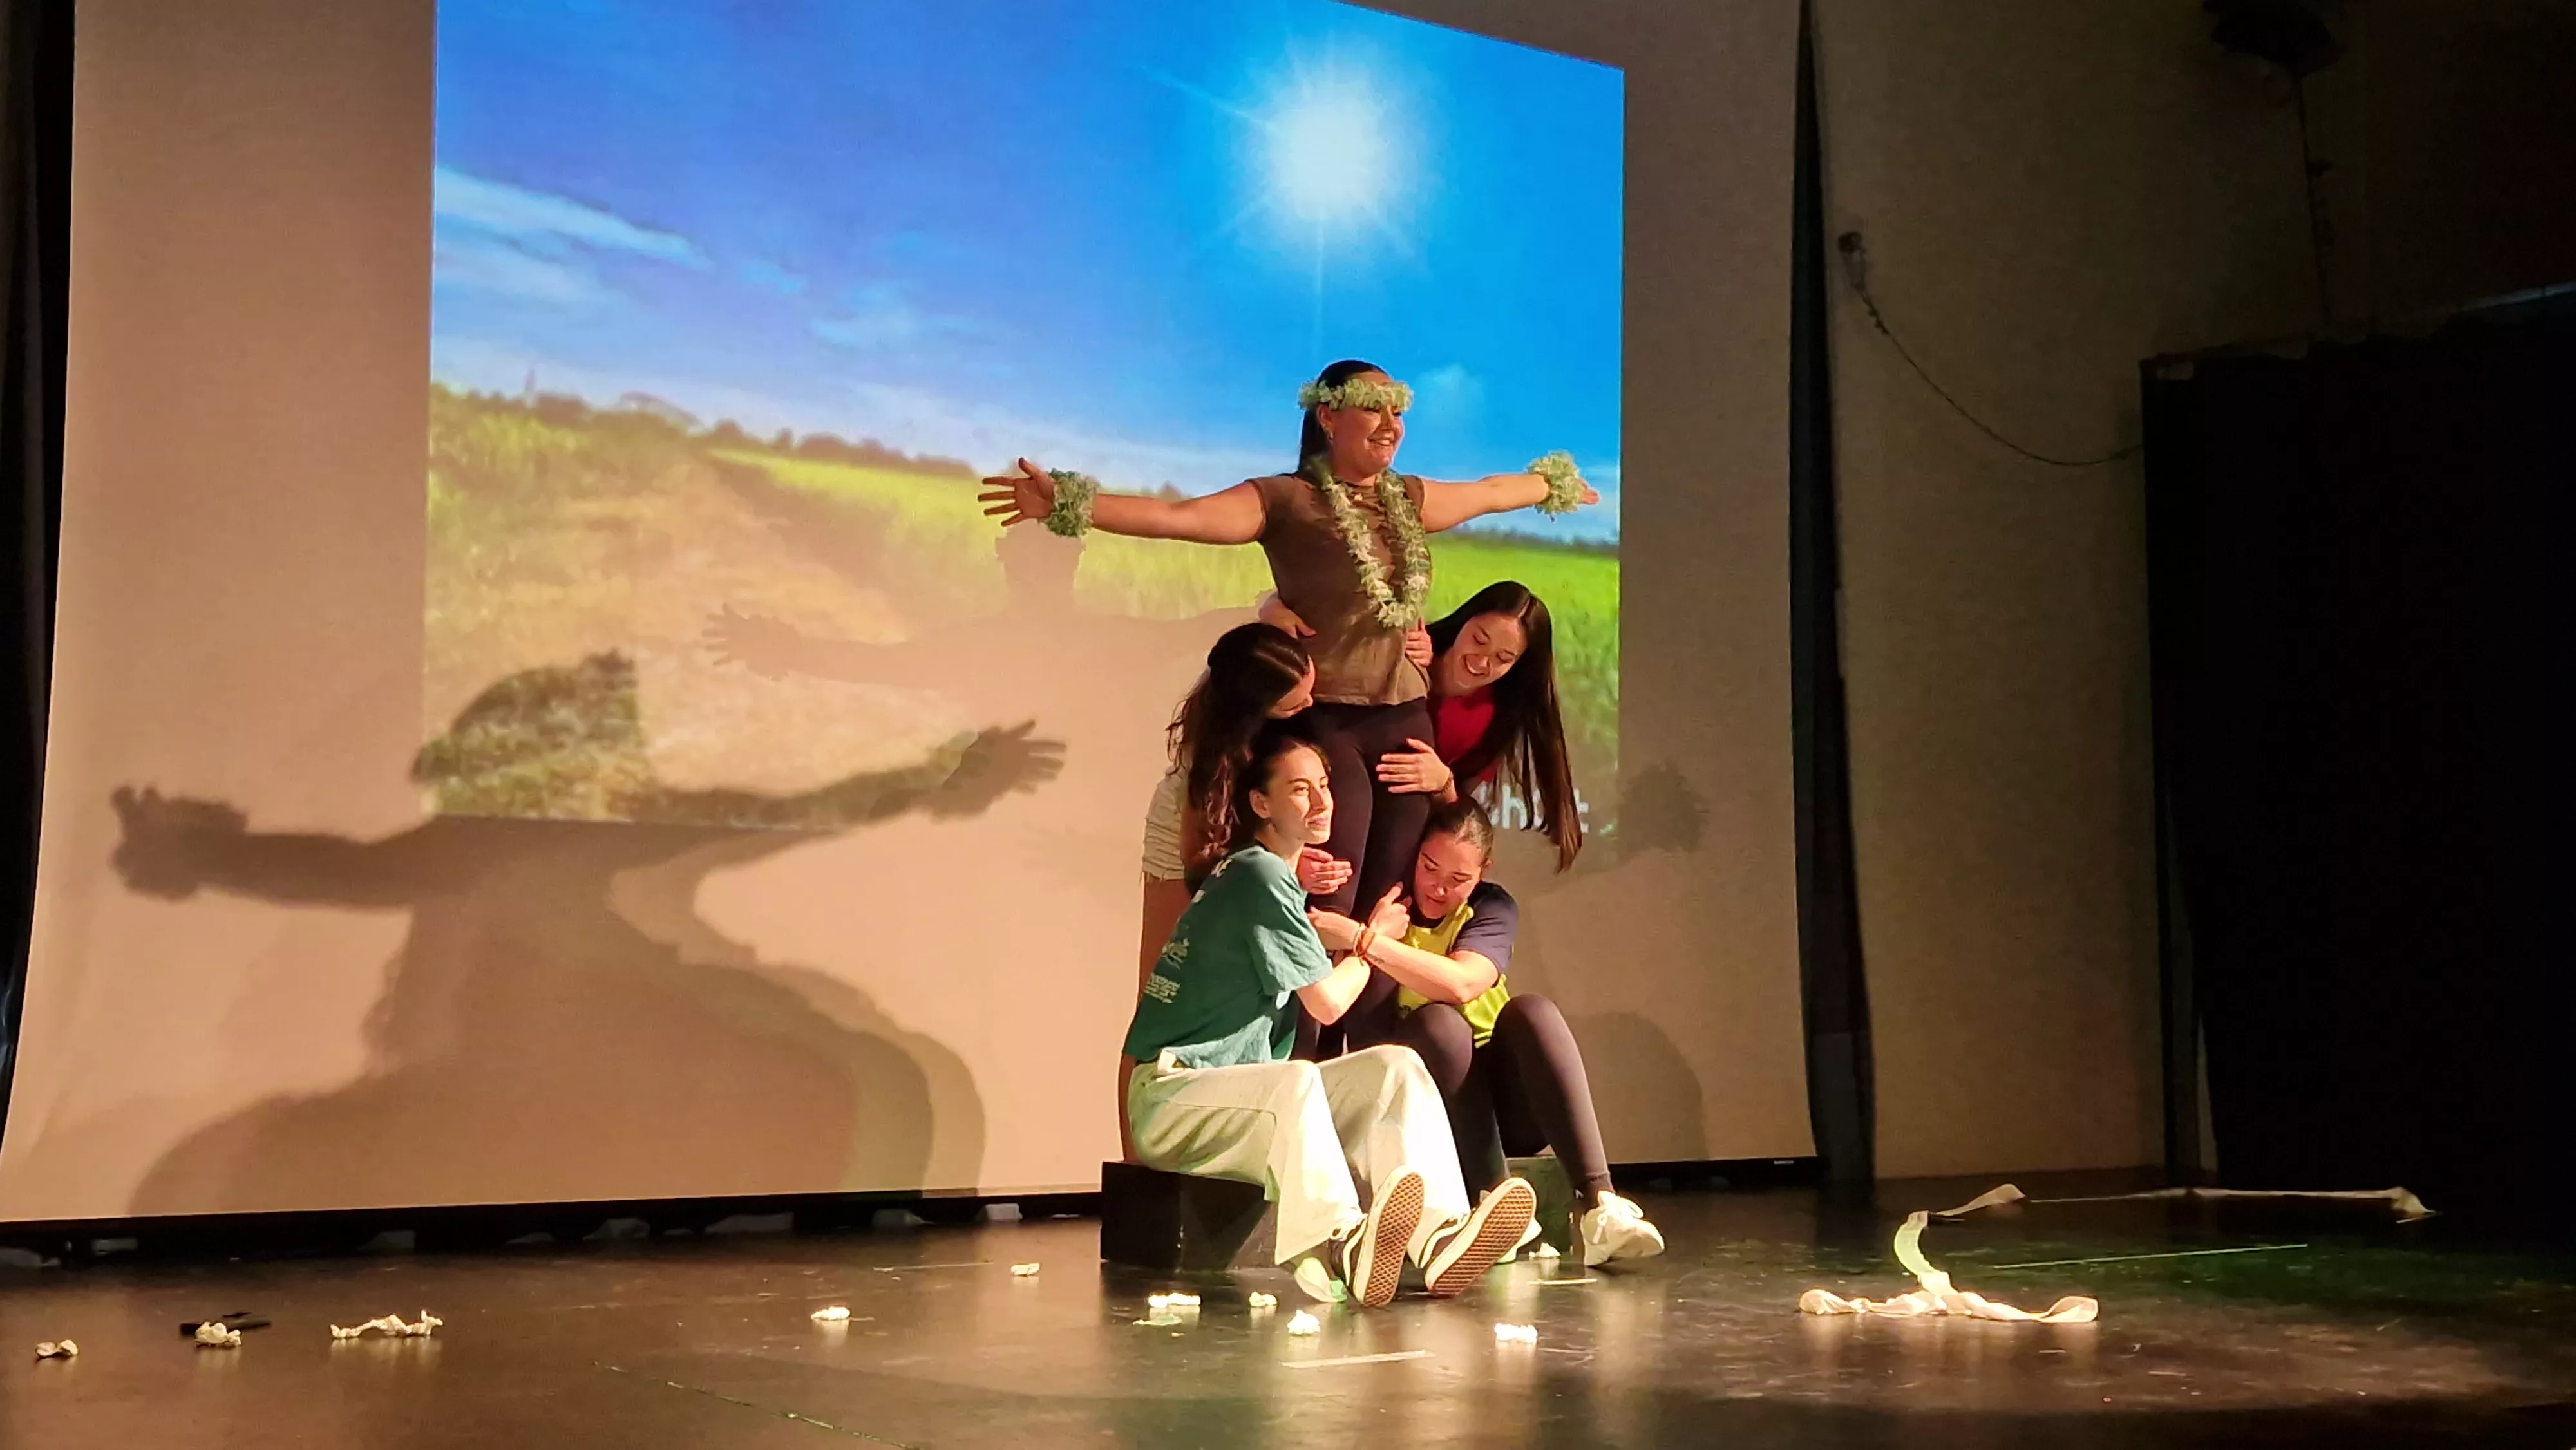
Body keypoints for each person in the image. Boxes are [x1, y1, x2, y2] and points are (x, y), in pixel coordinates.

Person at [981, 360, 1598, 935]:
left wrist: (1553, 484)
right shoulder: (1286, 500)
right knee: (1333, 901)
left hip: (1406, 724)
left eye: (1398, 411)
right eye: (1372, 408)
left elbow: (1491, 491)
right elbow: (1180, 516)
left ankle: (1371, 1049)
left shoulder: (1407, 501)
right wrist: (1068, 503)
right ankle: (1307, 1050)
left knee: (1391, 908)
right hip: (1329, 718)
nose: (1391, 425)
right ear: (1328, 417)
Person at [1121, 723, 1539, 1305]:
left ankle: (1440, 1234)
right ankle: (1343, 1241)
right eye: (1300, 789)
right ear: (1261, 804)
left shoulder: (1277, 878)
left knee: (1398, 1067)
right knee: (1294, 1080)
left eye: (1324, 784)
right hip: (1174, 1098)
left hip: (1237, 1095)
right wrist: (1373, 940)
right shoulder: (1257, 874)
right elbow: (1328, 1001)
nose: (1322, 800)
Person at [1327, 796, 1666, 1267]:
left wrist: (1368, 941)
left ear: (1483, 872)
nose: (1439, 888)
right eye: (1430, 868)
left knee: (1532, 1011)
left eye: (1458, 879)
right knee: (1440, 1025)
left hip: (1505, 1110)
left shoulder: (1490, 908)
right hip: (1424, 1114)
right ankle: (1494, 1200)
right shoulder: (1385, 910)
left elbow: (1463, 983)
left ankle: (1600, 1206)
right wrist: (1371, 936)